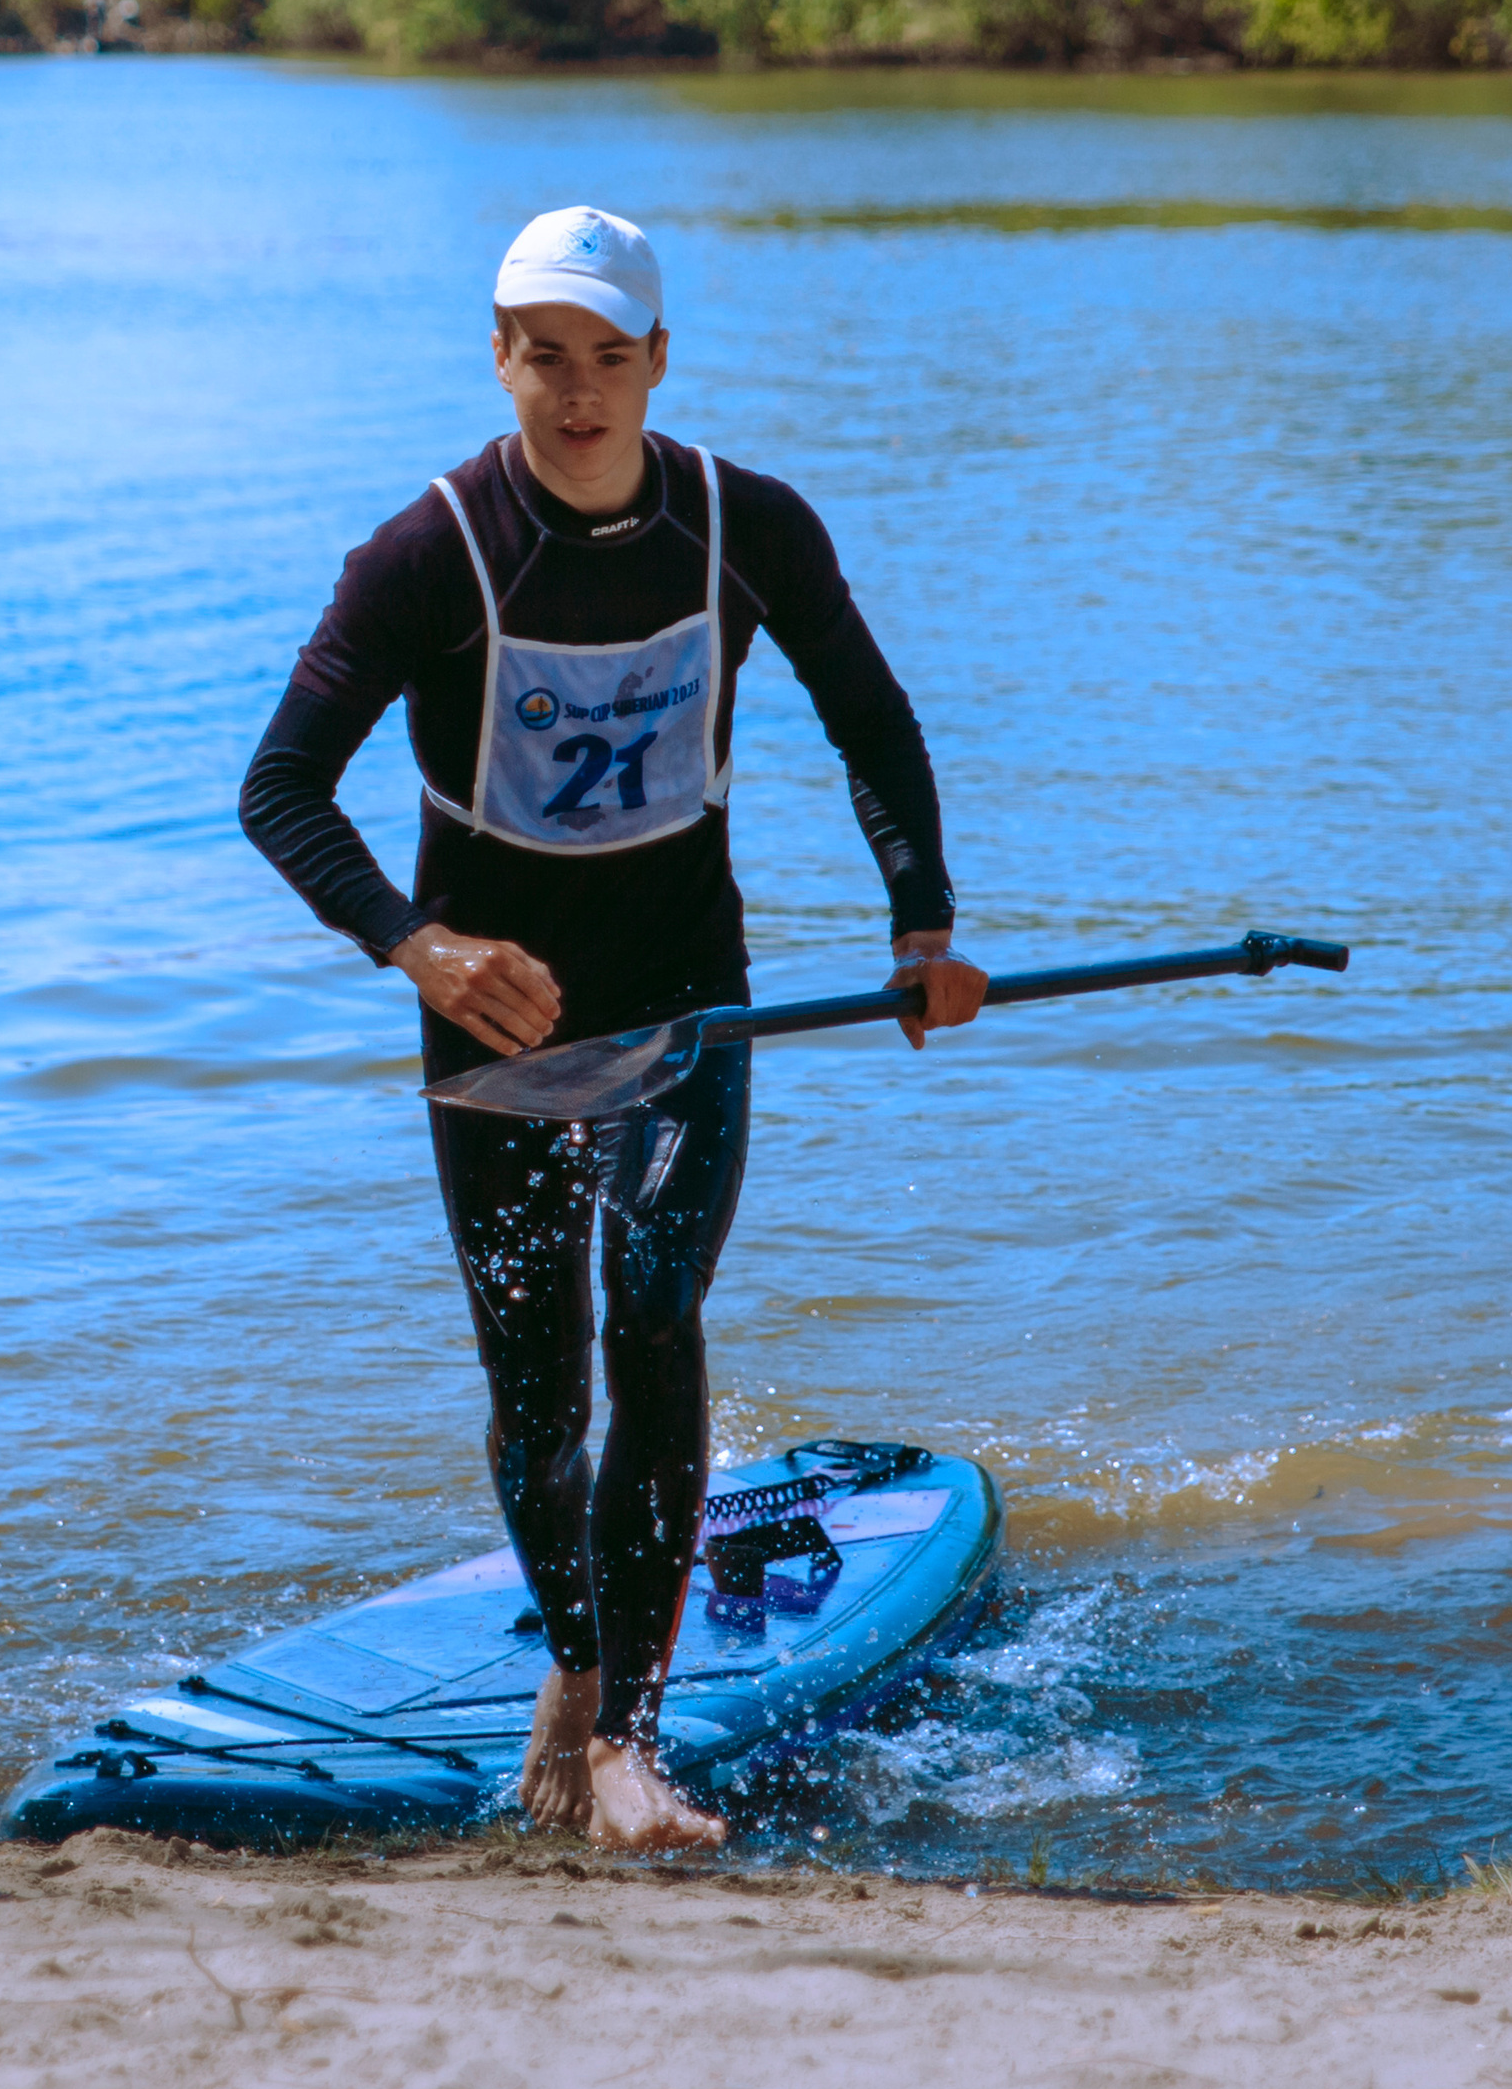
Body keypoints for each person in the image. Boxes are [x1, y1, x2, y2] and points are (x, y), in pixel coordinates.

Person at [239, 206, 984, 1853]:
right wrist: (418, 946)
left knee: (654, 1322)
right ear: (499, 355)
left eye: (609, 358)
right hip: (495, 1041)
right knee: (537, 1386)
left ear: (658, 360)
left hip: (684, 1011)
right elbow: (277, 788)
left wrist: (920, 924)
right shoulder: (426, 553)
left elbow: (871, 717)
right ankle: (571, 1674)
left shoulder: (744, 525)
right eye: (544, 356)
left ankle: (633, 1746)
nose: (577, 393)